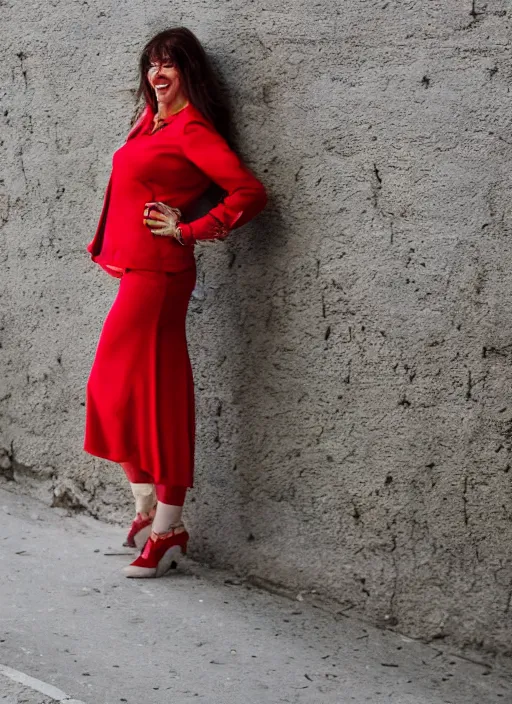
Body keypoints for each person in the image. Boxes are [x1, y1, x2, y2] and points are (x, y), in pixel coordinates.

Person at [83, 27, 267, 578]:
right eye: (151, 64)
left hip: (161, 276)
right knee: (111, 389)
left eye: (168, 65)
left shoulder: (191, 130)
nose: (156, 74)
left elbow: (250, 193)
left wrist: (189, 230)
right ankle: (146, 505)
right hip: (137, 272)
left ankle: (168, 526)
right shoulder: (152, 121)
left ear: (189, 71)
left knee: (159, 396)